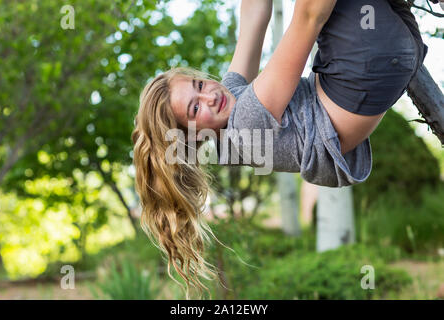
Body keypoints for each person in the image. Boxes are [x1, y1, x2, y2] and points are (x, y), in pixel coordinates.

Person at [131, 0, 427, 297]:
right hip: (366, 61)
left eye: (198, 83)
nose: (208, 95)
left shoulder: (230, 108)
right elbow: (308, 17)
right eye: (195, 108)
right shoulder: (246, 123)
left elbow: (254, 19)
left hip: (390, 50)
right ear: (193, 137)